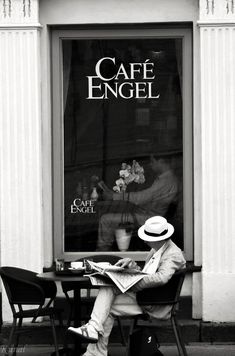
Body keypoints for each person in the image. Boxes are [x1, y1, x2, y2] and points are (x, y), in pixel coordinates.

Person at [68, 216, 186, 356]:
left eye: (147, 237)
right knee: (107, 301)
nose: (144, 240)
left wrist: (133, 283)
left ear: (158, 238)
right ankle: (93, 337)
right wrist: (132, 265)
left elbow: (162, 277)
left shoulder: (173, 254)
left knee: (107, 304)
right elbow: (146, 273)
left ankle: (94, 345)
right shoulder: (158, 249)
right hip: (147, 297)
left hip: (157, 303)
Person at [96, 154, 179, 251]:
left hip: (147, 218)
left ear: (161, 161)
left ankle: (102, 252)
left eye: (152, 162)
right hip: (146, 214)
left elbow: (141, 198)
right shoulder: (165, 179)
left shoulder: (166, 181)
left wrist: (114, 196)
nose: (150, 165)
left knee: (105, 219)